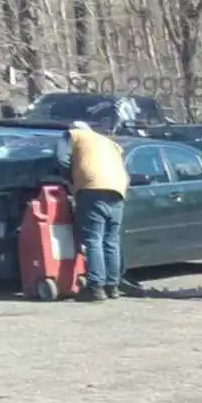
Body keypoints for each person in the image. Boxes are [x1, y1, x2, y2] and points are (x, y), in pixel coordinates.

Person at [64, 118, 129, 302]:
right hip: (117, 189)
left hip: (92, 188)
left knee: (94, 239)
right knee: (111, 240)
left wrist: (68, 178)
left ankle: (96, 288)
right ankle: (113, 286)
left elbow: (61, 158)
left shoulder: (73, 135)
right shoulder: (109, 143)